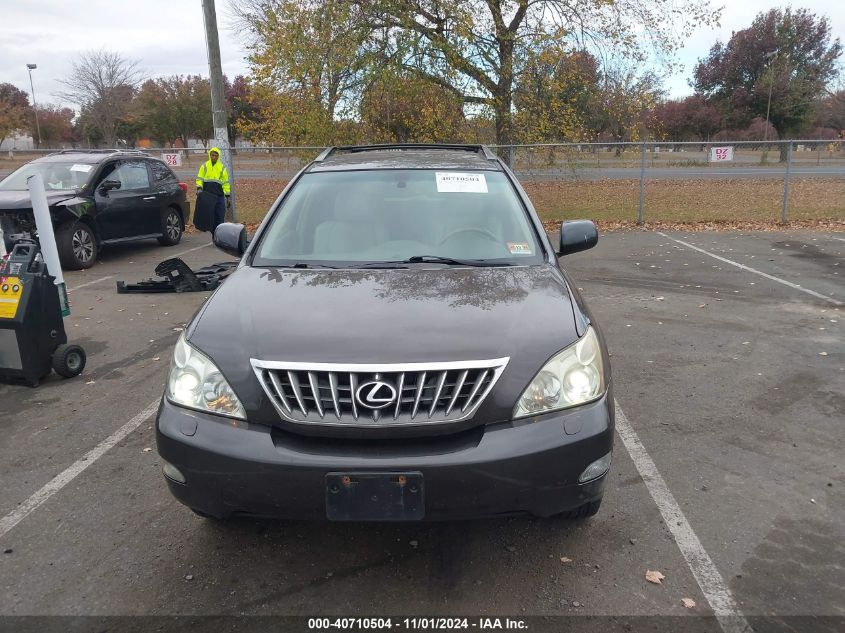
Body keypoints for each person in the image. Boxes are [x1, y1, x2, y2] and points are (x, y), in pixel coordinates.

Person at [195, 147, 231, 231]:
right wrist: (199, 188)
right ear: (209, 155)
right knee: (210, 217)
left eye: (215, 155)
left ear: (218, 156)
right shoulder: (204, 166)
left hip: (219, 196)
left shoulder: (222, 167)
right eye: (212, 155)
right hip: (208, 196)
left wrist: (228, 196)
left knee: (220, 216)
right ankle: (213, 233)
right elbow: (199, 178)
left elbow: (225, 183)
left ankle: (219, 234)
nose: (214, 157)